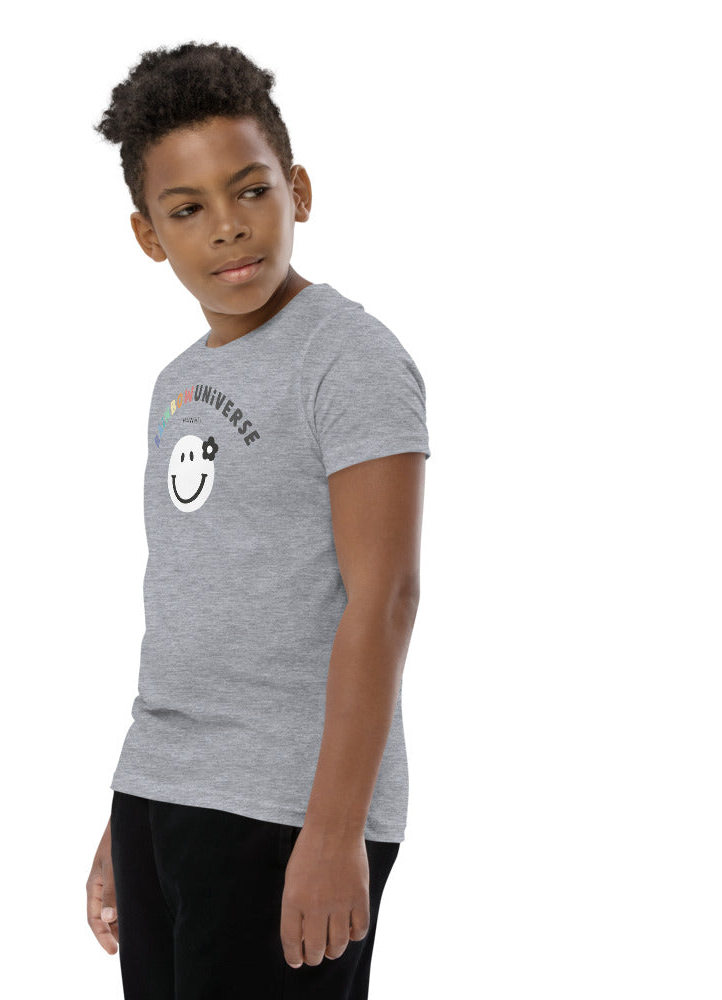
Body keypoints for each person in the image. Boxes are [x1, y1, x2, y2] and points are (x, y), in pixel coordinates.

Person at [85, 40, 430, 999]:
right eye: (188, 209)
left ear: (298, 191)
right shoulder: (176, 384)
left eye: (250, 191)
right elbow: (191, 607)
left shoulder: (347, 358)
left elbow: (385, 597)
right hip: (162, 793)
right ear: (149, 235)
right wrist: (128, 814)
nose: (229, 227)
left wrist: (334, 832)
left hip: (286, 811)